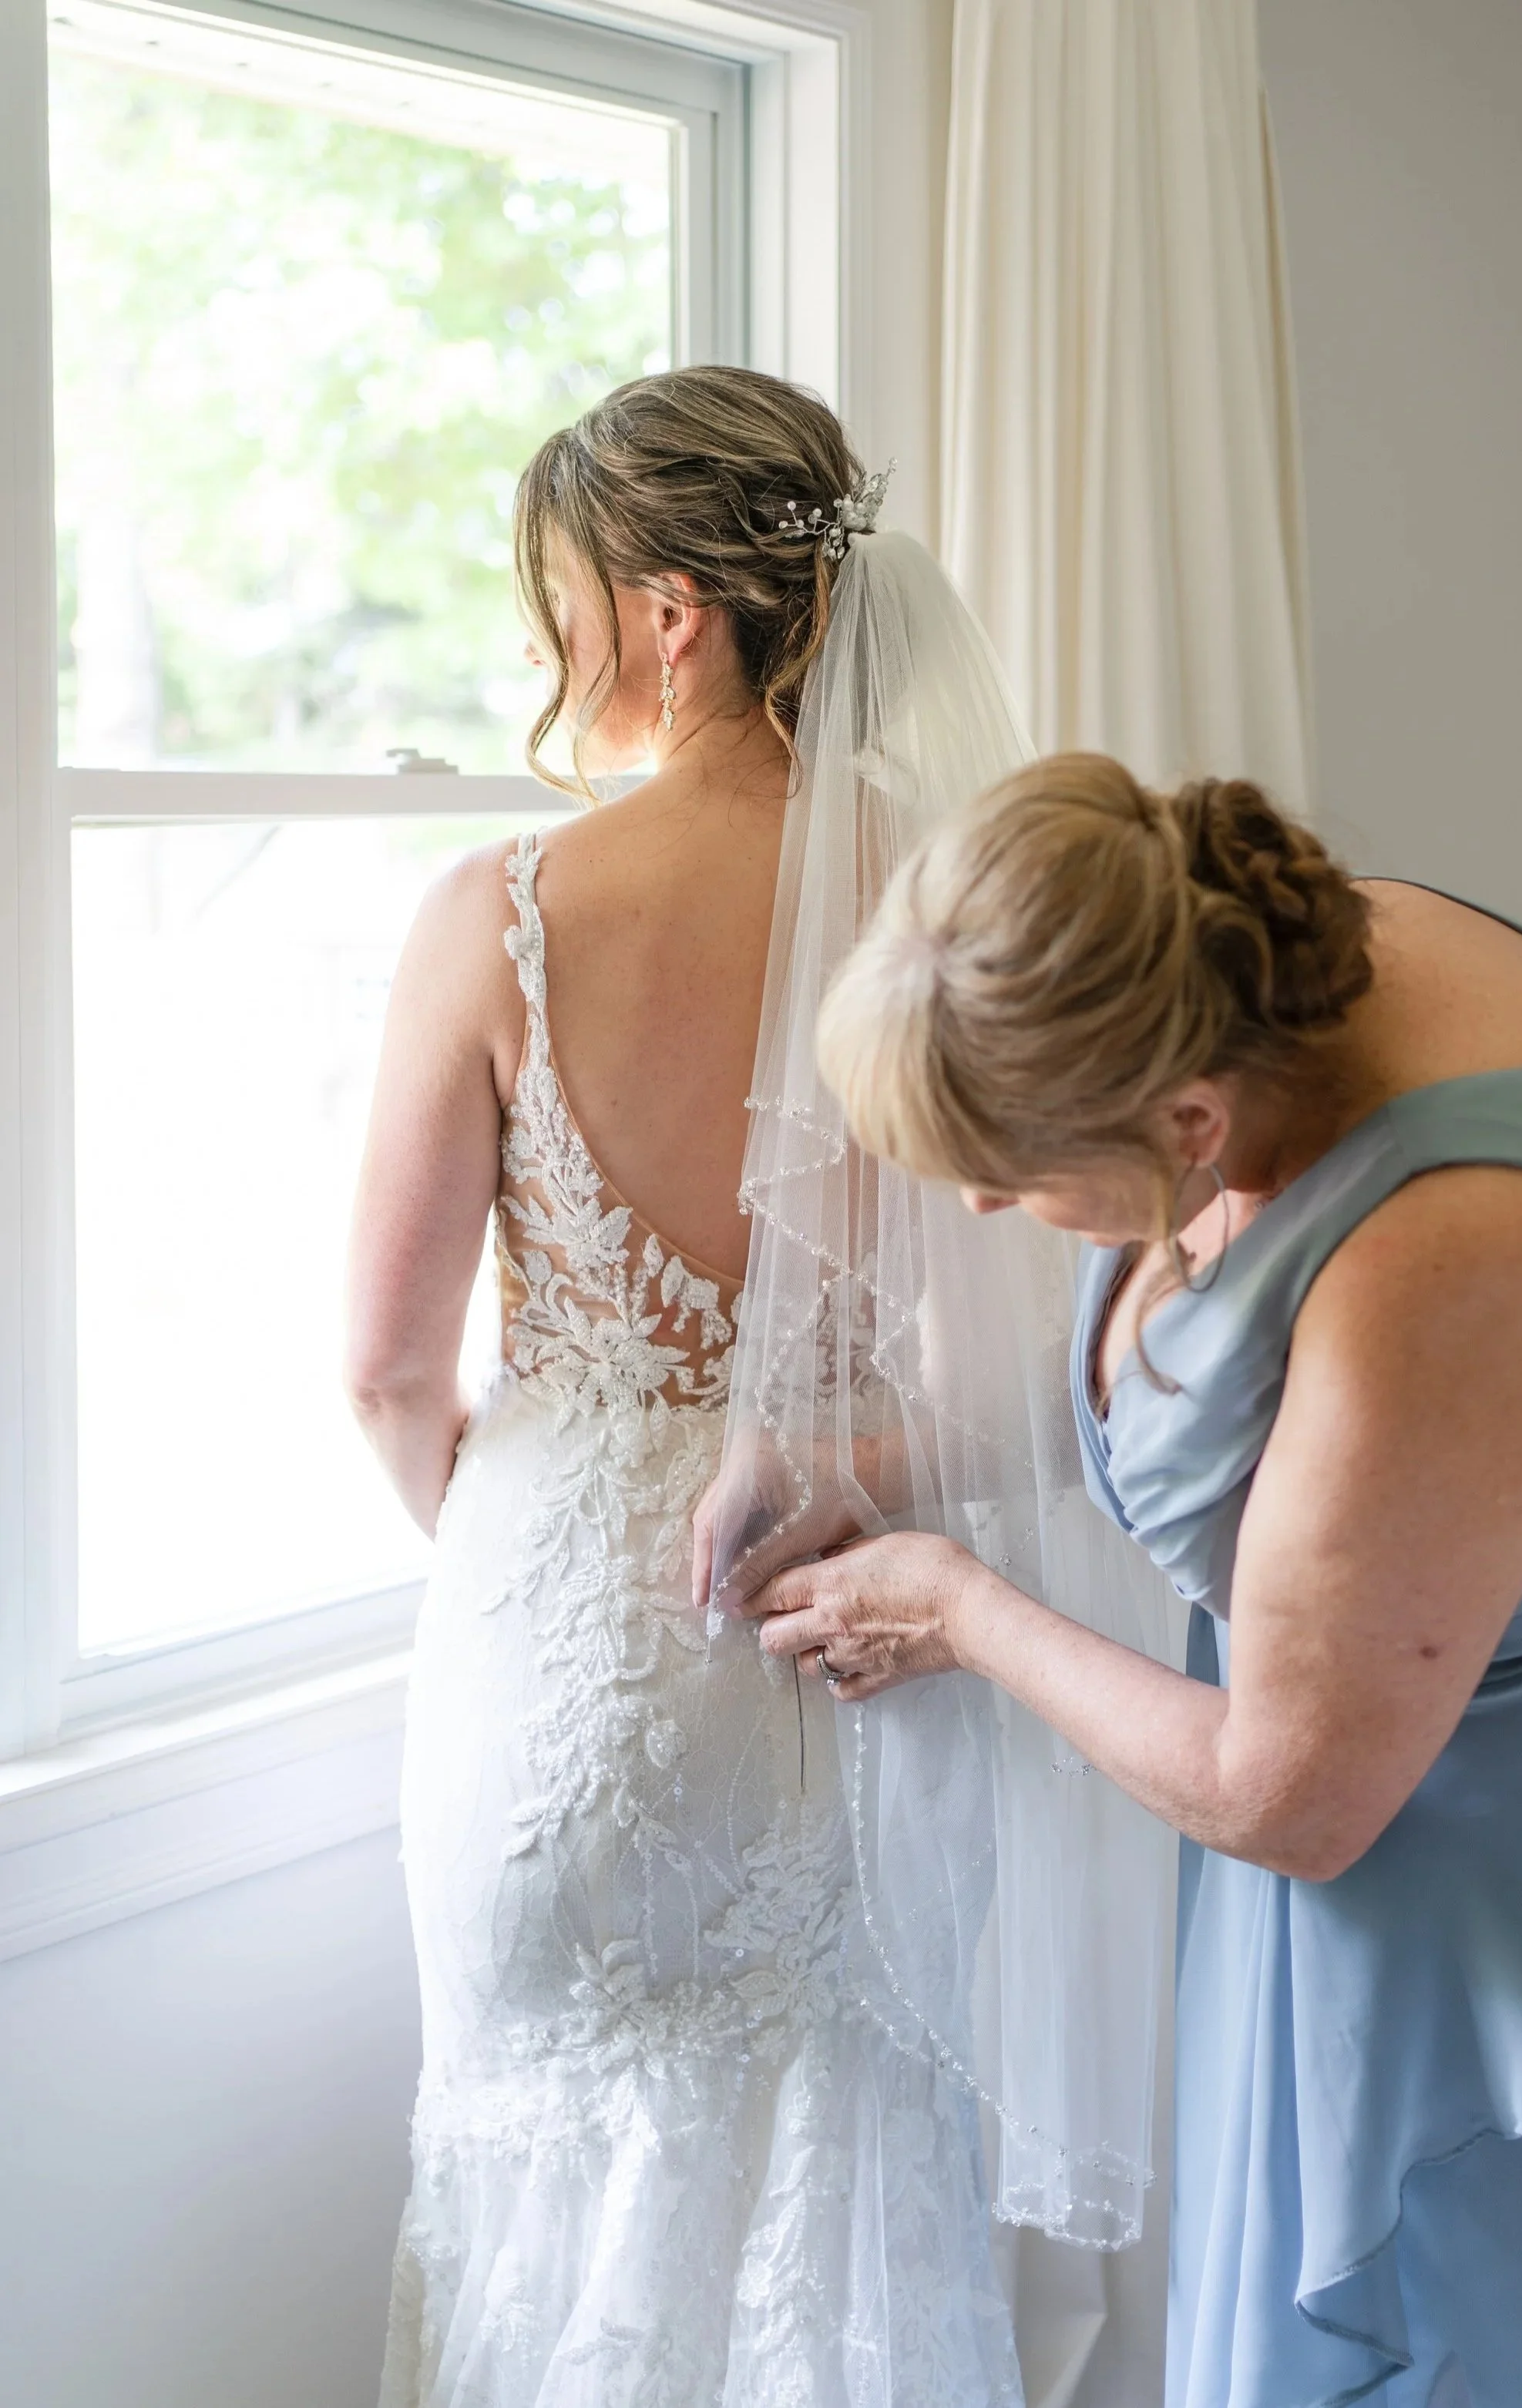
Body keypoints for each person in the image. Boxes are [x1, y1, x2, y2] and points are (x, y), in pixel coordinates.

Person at [741, 751, 1522, 2408]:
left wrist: (956, 1605)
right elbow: (1243, 1395)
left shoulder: (1444, 1266)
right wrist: (876, 1460)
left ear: (1185, 1124)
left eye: (1003, 1173)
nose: (984, 1207)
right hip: (1429, 1752)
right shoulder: (1244, 961)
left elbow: (1282, 1787)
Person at [347, 371, 1172, 2408]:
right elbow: (1031, 1365)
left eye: (568, 601)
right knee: (843, 2218)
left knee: (553, 2232)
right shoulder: (969, 898)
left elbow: (384, 1368)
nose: (562, 658)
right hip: (861, 1641)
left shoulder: (502, 917)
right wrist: (853, 1463)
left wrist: (551, 1556)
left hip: (567, 1674)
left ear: (673, 613)